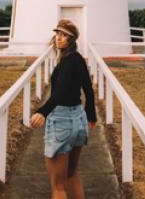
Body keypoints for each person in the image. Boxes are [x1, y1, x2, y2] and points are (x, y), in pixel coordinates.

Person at [29, 19, 97, 199]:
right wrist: (91, 115)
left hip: (62, 123)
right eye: (57, 33)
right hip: (79, 120)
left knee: (58, 186)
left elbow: (59, 93)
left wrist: (42, 111)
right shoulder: (78, 59)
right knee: (72, 174)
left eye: (64, 35)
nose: (59, 38)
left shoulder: (67, 63)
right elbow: (88, 89)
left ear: (72, 39)